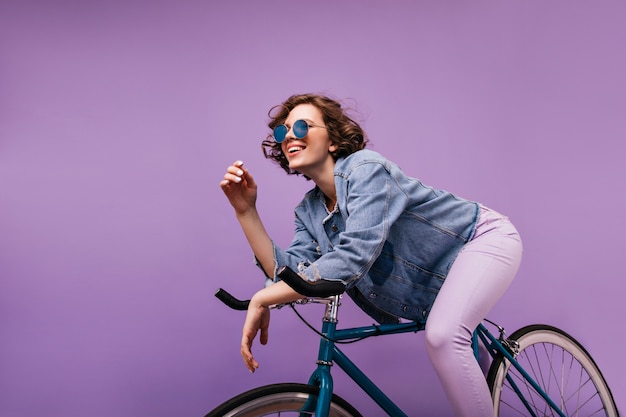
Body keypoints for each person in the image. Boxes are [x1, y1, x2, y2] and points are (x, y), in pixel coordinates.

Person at [219, 93, 523, 417]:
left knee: (444, 337)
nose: (289, 135)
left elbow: (354, 256)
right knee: (456, 342)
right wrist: (246, 211)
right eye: (283, 131)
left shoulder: (366, 169)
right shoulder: (308, 211)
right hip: (434, 272)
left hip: (481, 239)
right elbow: (294, 273)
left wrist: (263, 298)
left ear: (333, 141)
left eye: (302, 126)